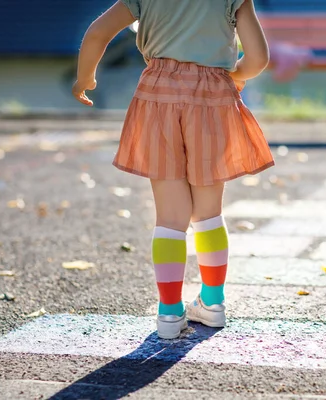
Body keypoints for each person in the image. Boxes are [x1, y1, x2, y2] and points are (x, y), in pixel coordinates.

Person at [72, 0, 274, 339]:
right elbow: (258, 59)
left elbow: (97, 34)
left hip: (158, 95)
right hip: (213, 98)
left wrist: (85, 79)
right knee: (209, 213)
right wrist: (233, 76)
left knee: (169, 217)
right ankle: (212, 303)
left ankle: (168, 312)